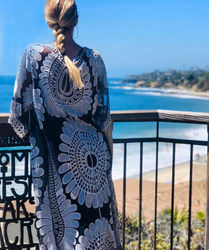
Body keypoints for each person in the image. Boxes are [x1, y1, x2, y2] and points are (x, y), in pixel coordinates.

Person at [8, 0, 122, 249]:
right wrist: (107, 165)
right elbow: (105, 120)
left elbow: (19, 116)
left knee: (64, 239)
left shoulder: (34, 55)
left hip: (56, 171)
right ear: (76, 21)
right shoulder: (95, 59)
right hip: (94, 167)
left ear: (48, 21)